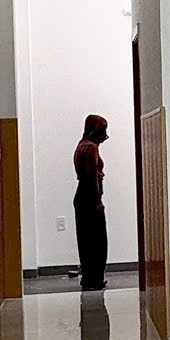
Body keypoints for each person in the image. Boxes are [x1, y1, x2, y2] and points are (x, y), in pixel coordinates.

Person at [73, 113, 109, 289]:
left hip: (81, 197)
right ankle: (94, 279)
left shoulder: (81, 145)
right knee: (98, 242)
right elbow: (91, 177)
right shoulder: (91, 148)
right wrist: (98, 202)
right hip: (90, 198)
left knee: (85, 241)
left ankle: (88, 278)